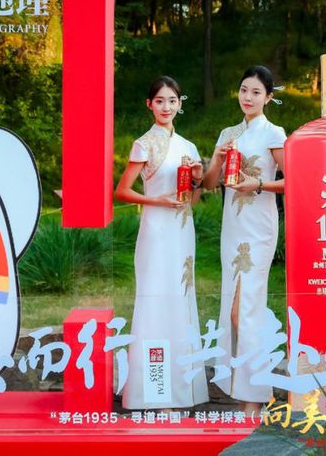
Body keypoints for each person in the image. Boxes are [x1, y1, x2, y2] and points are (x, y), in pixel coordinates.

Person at [115, 76, 209, 410]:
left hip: (182, 231)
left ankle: (182, 392)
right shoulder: (144, 144)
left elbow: (193, 200)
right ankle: (154, 394)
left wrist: (197, 179)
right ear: (149, 105)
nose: (166, 107)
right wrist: (157, 201)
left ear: (180, 104)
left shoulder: (188, 147)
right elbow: (122, 191)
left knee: (180, 301)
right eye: (159, 101)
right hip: (155, 231)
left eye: (172, 101)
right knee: (155, 303)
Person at [201, 65, 286, 415]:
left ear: (268, 97)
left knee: (244, 311)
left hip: (259, 229)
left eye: (255, 92)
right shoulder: (228, 133)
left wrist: (260, 184)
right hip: (232, 227)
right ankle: (245, 398)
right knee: (232, 311)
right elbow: (209, 184)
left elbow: (298, 179)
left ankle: (254, 398)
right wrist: (217, 158)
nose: (247, 97)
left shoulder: (274, 133)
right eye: (243, 90)